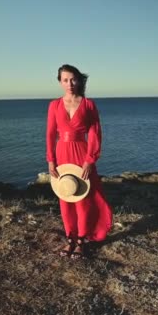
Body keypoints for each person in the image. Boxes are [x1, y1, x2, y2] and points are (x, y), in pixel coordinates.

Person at [46, 64, 113, 260]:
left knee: (83, 199)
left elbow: (95, 134)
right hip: (62, 155)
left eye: (73, 79)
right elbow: (50, 134)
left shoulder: (89, 104)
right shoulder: (54, 105)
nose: (69, 83)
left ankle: (82, 240)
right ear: (60, 82)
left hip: (82, 155)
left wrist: (90, 160)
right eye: (65, 80)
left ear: (79, 80)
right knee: (65, 198)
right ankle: (70, 238)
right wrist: (51, 160)